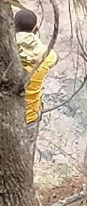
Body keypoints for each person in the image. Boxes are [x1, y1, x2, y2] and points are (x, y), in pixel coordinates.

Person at [14, 9, 58, 147]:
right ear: (36, 28)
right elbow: (55, 58)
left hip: (6, 113)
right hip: (30, 117)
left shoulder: (7, 51)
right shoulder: (48, 56)